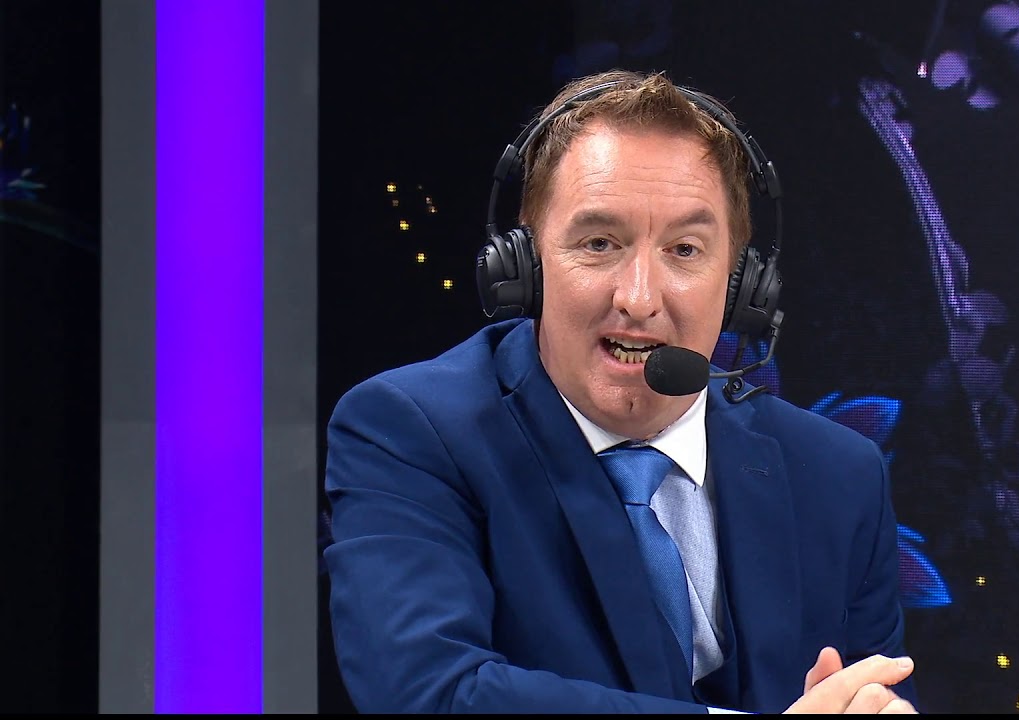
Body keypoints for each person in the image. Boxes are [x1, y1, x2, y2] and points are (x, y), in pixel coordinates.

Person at [323, 69, 918, 714]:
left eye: (685, 249)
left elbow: (873, 694)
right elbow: (431, 693)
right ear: (524, 266)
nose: (639, 298)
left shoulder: (839, 476)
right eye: (599, 243)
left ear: (742, 285)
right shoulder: (408, 434)